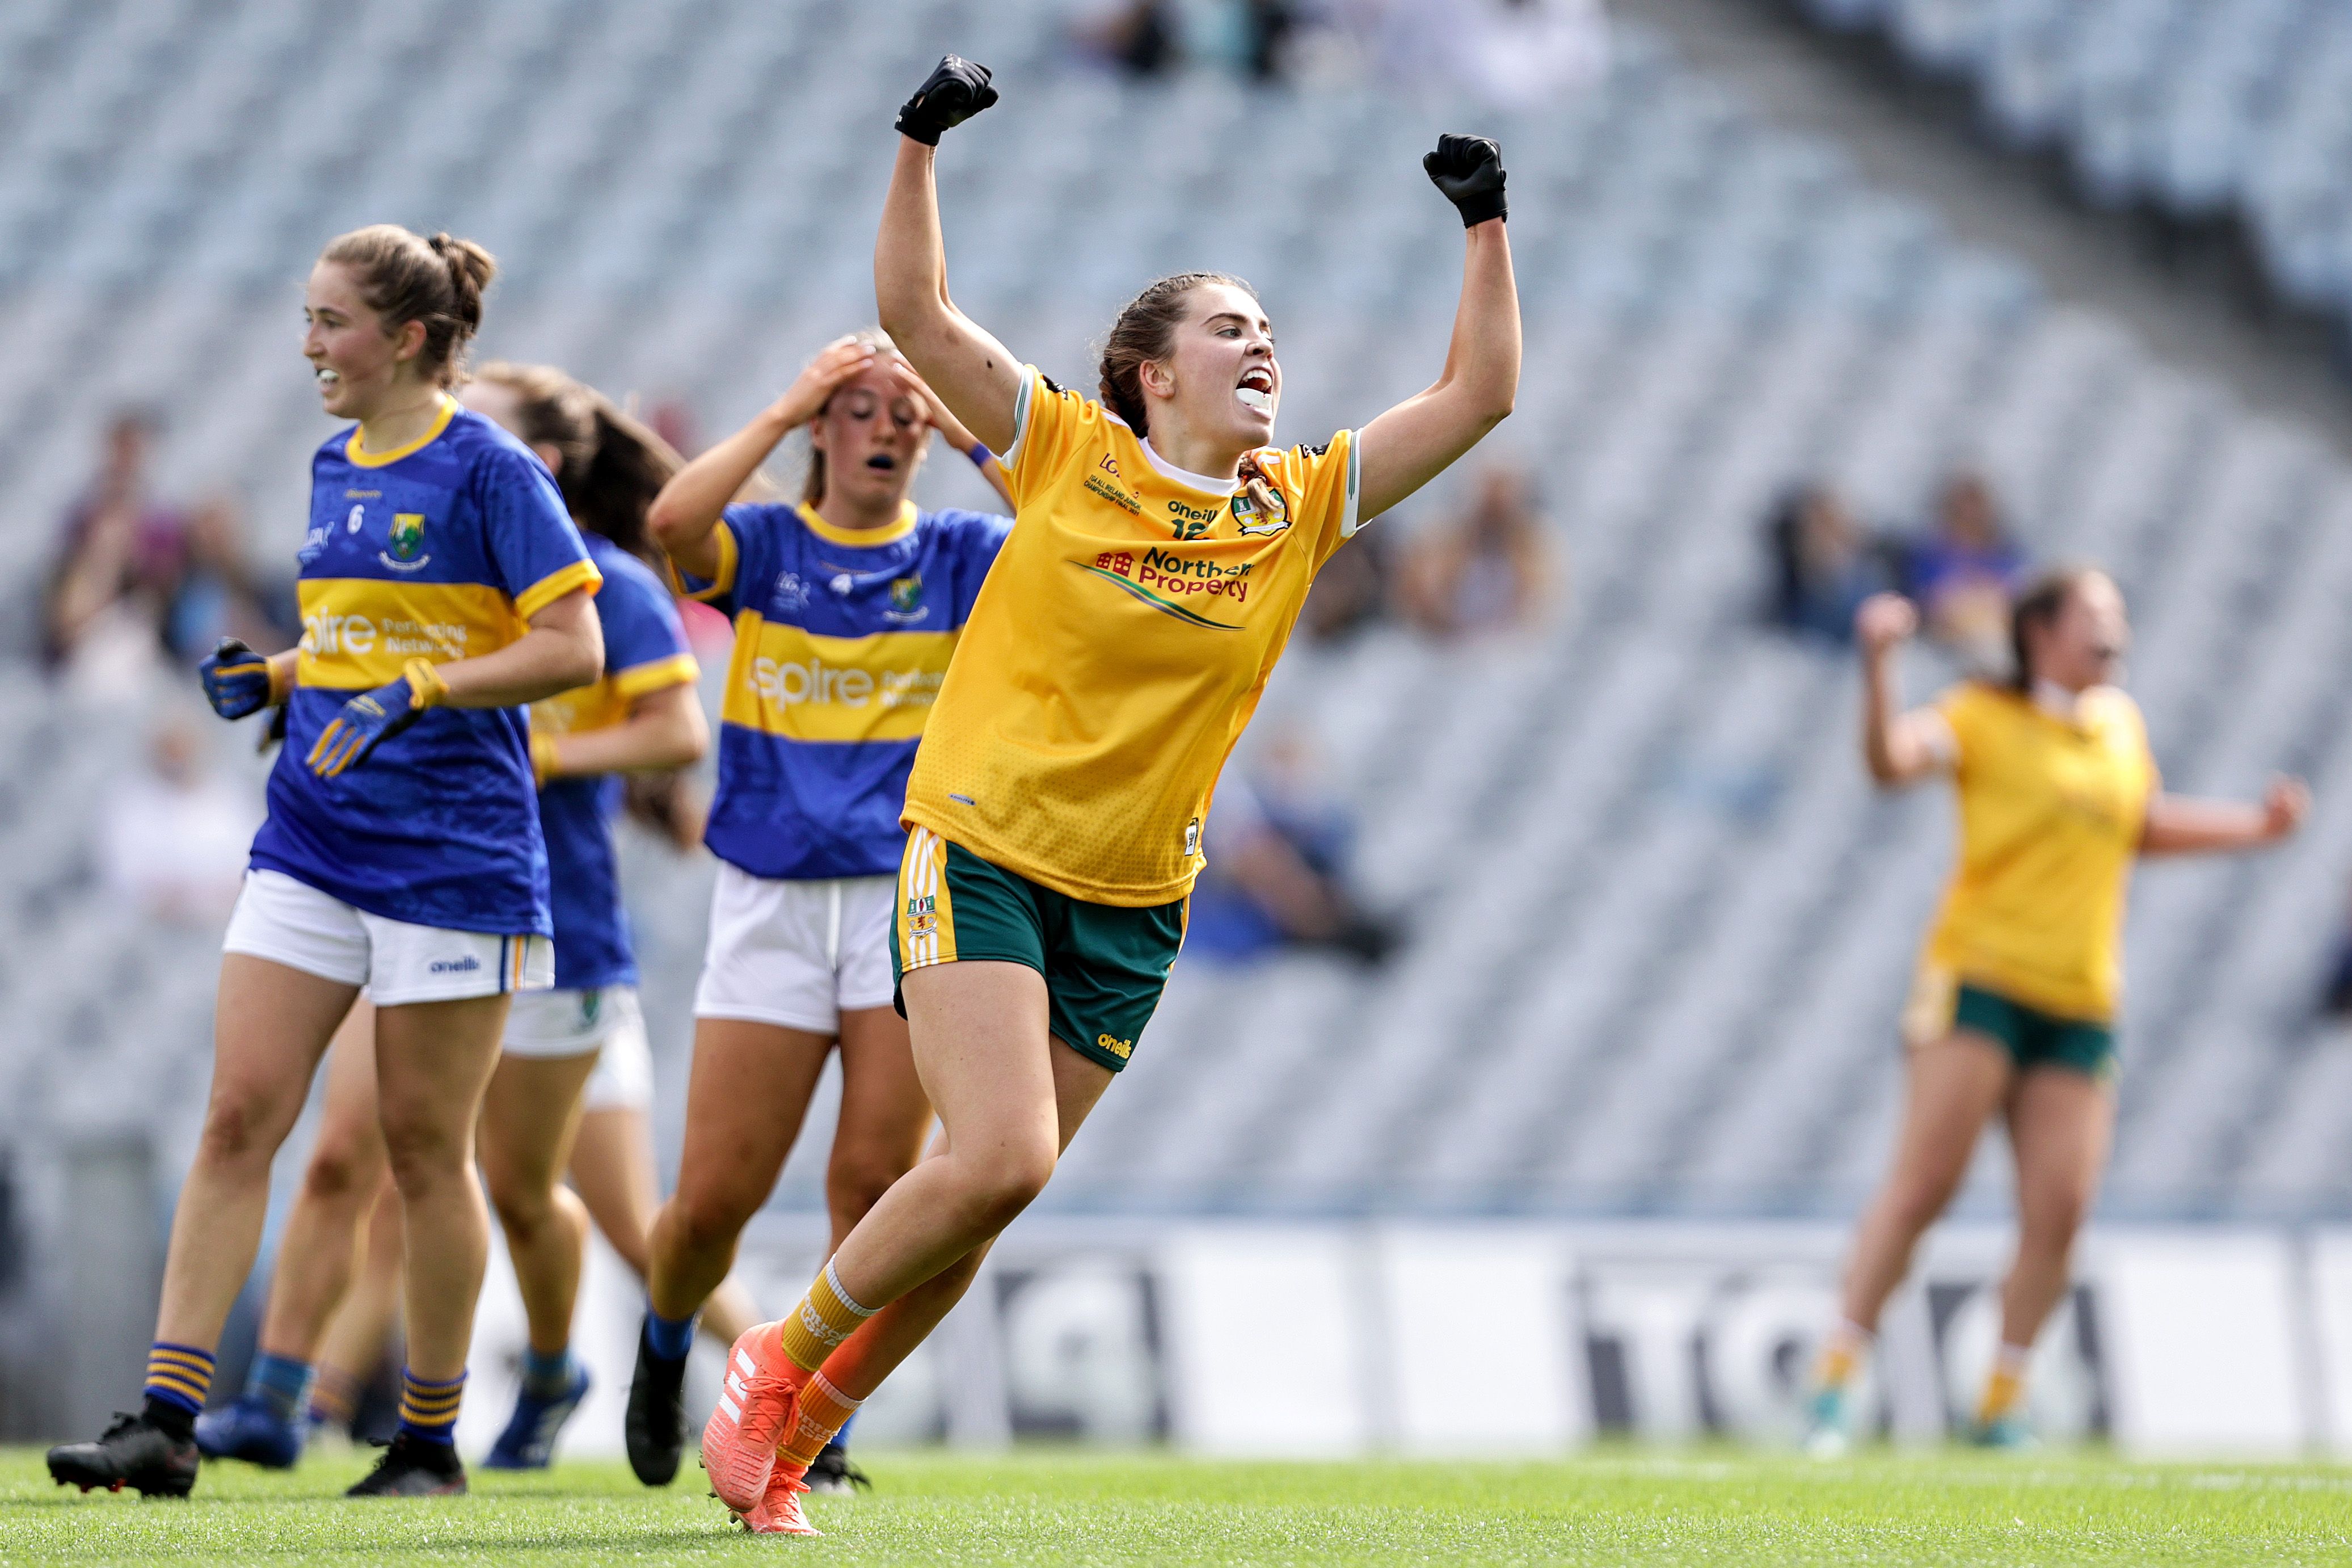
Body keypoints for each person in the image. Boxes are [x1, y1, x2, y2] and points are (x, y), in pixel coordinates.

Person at [697, 56, 1519, 1536]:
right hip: (984, 848)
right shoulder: (1067, 452)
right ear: (1153, 373)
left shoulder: (1296, 504)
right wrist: (916, 138)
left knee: (991, 1191)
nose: (1262, 343)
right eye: (1229, 326)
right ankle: (774, 1363)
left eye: (1269, 327)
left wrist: (1484, 224)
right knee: (1001, 1151)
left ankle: (807, 1419)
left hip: (1139, 898)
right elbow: (916, 315)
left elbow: (1481, 393)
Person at [45, 224, 605, 1501]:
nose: (308, 347)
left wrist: (421, 687)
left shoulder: (493, 469)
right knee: (240, 1112)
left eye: (330, 322)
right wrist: (282, 673)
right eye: (306, 320)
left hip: (458, 856)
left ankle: (426, 1435)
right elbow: (361, 633)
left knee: (421, 1147)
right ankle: (167, 1419)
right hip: (311, 832)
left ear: (407, 338)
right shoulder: (331, 461)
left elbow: (570, 648)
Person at [189, 361, 713, 1474]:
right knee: (351, 1158)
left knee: (562, 1202)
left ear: (543, 462)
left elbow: (678, 737)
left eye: (484, 429)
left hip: (554, 925)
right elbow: (365, 661)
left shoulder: (611, 588)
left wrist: (548, 749)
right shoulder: (431, 565)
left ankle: (712, 1371)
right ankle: (286, 1400)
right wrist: (287, 682)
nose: (452, 444)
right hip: (411, 897)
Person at [626, 328, 1014, 1497]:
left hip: (901, 899)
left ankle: (810, 1420)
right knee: (714, 1196)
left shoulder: (957, 551)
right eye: (861, 407)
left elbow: (1069, 541)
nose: (888, 426)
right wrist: (787, 396)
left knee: (871, 1178)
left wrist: (974, 428)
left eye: (907, 412)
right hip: (771, 903)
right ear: (819, 428)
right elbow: (671, 527)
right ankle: (663, 1342)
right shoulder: (769, 545)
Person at [1803, 571, 2309, 1454]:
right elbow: (1887, 763)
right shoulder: (1979, 716)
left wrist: (2250, 829)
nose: (2116, 633)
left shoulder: (2119, 725)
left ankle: (2001, 1398)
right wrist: (1878, 665)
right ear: (2040, 633)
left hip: (2078, 997)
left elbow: (2136, 827)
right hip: (1981, 979)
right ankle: (1836, 1378)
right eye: (2097, 618)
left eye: (2119, 616)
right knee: (1924, 1188)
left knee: (2060, 1208)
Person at [1396, 462, 1553, 638]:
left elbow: (1541, 612)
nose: (1495, 501)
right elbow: (1417, 602)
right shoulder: (1444, 539)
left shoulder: (1533, 547)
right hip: (1448, 646)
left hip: (1510, 649)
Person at [1906, 470, 2024, 670]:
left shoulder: (2008, 553)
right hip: (1943, 649)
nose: (1971, 513)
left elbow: (2017, 599)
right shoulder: (1929, 554)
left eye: (1976, 505)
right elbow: (1934, 604)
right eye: (1963, 506)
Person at [1765, 484, 1894, 646]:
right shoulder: (1790, 600)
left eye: (1830, 528)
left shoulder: (1880, 578)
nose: (1823, 540)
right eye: (1813, 532)